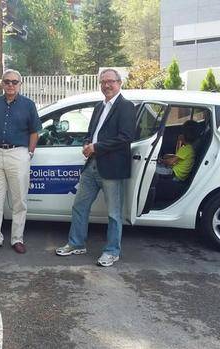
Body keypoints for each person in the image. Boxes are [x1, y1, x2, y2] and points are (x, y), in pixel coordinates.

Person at [55, 68, 135, 267]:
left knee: (114, 214)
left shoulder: (126, 106)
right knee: (80, 206)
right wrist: (87, 143)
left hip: (112, 168)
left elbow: (126, 137)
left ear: (119, 83)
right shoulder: (100, 106)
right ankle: (76, 243)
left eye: (110, 81)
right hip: (92, 166)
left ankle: (112, 251)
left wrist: (96, 147)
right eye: (103, 82)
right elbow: (92, 131)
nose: (106, 85)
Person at [0, 69, 42, 254]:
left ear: (20, 84)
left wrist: (30, 153)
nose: (10, 85)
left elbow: (35, 131)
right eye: (7, 81)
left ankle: (17, 238)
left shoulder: (28, 105)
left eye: (14, 82)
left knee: (19, 200)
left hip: (19, 154)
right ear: (2, 83)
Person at [155, 120, 198, 201]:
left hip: (174, 174)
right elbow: (177, 154)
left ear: (184, 135)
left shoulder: (187, 149)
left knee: (152, 169)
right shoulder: (189, 149)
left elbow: (171, 162)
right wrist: (179, 142)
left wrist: (161, 161)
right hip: (176, 173)